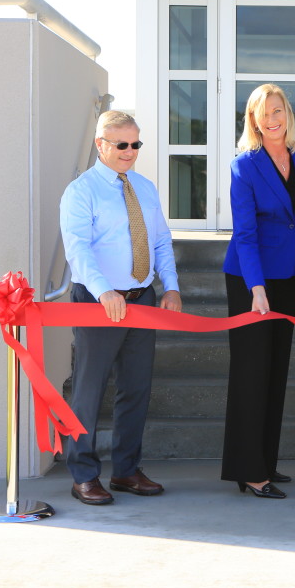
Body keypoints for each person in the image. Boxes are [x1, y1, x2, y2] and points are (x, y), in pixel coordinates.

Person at [60, 110, 182, 505]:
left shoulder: (144, 187)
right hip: (99, 303)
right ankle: (83, 475)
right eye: (122, 144)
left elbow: (161, 240)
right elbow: (77, 249)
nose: (131, 152)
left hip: (142, 299)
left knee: (136, 388)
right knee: (88, 390)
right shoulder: (81, 191)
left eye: (136, 144)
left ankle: (127, 471)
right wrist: (103, 292)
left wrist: (171, 287)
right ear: (101, 145)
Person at [222, 84, 295, 500]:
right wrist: (255, 287)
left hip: (287, 275)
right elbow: (245, 233)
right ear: (253, 121)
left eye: (278, 110)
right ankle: (249, 471)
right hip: (250, 277)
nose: (273, 119)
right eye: (264, 113)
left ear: (288, 113)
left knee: (276, 370)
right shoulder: (244, 166)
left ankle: (267, 460)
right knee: (252, 373)